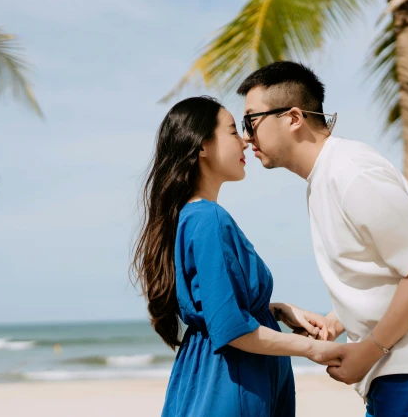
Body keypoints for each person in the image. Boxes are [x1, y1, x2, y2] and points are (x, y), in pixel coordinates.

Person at [238, 62, 408, 417]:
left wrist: (368, 351)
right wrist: (335, 323)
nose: (246, 136)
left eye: (251, 121)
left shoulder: (351, 172)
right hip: (397, 367)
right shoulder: (326, 178)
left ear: (292, 118)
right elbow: (384, 272)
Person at [131, 96, 343, 417]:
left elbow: (215, 307)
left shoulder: (188, 218)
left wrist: (278, 309)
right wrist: (316, 348)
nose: (245, 141)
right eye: (232, 132)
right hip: (232, 383)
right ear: (201, 146)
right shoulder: (208, 219)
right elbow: (231, 328)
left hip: (215, 376)